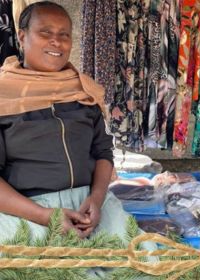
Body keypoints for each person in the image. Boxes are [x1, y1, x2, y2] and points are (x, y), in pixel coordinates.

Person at [0, 1, 137, 244]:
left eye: (64, 34)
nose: (57, 41)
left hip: (89, 207)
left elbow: (103, 153)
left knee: (140, 262)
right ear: (22, 37)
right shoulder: (4, 95)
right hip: (26, 211)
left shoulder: (83, 92)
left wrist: (96, 199)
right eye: (46, 32)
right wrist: (45, 216)